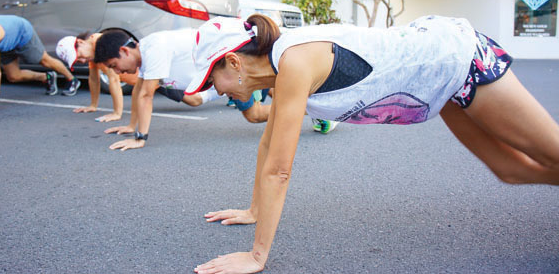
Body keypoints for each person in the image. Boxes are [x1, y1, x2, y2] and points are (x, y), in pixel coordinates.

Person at [186, 14, 559, 274]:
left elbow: (280, 170)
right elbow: (268, 147)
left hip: (457, 58)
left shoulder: (294, 61)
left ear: (233, 62)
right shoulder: (282, 73)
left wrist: (257, 254)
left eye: (211, 80)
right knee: (510, 171)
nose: (215, 91)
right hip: (440, 85)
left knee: (551, 153)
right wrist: (254, 210)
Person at [93, 29, 221, 151]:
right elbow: (138, 91)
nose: (117, 72)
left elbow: (146, 96)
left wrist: (140, 138)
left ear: (125, 51)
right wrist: (131, 126)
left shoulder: (154, 49)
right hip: (221, 76)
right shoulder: (144, 51)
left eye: (114, 65)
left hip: (229, 61)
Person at [0, 15, 80, 115]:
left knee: (43, 60)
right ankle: (46, 77)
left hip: (21, 32)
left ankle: (72, 79)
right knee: (13, 76)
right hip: (5, 44)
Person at [56, 32, 138, 122]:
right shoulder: (92, 50)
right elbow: (94, 78)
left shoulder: (101, 44)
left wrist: (117, 113)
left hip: (149, 78)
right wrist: (93, 105)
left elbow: (114, 79)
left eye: (79, 56)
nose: (83, 61)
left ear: (80, 42)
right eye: (78, 61)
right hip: (142, 81)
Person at [230, 88, 338, 133]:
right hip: (252, 53)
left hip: (240, 57)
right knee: (272, 88)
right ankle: (322, 104)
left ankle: (324, 110)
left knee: (254, 114)